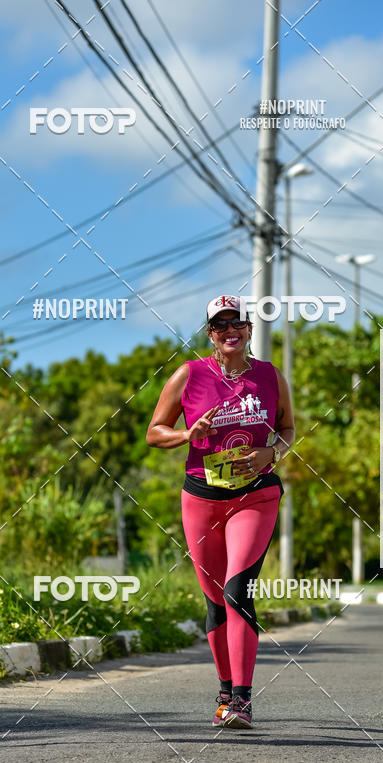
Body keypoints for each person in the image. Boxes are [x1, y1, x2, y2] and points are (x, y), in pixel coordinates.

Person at [146, 295, 295, 728]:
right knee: (214, 602)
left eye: (237, 323)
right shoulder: (188, 375)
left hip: (255, 495)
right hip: (202, 499)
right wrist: (187, 433)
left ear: (249, 329)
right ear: (210, 334)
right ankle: (226, 691)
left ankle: (244, 701)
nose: (230, 330)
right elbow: (155, 433)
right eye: (219, 325)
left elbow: (286, 429)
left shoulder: (270, 376)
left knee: (238, 593)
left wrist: (271, 453)